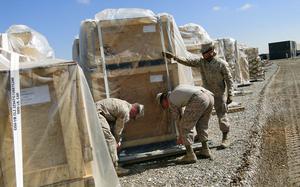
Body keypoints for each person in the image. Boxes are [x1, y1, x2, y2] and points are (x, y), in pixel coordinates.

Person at [162, 42, 234, 149]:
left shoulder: (221, 64)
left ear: (211, 52)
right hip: (206, 93)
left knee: (222, 116)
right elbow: (189, 61)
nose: (203, 55)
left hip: (219, 94)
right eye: (203, 53)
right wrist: (175, 57)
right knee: (201, 117)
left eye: (205, 53)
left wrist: (230, 94)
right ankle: (201, 136)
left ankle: (225, 137)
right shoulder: (202, 62)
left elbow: (229, 79)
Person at [157, 84, 214, 164]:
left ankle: (190, 155)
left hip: (199, 98)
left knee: (184, 126)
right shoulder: (176, 94)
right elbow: (182, 115)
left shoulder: (171, 100)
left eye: (162, 105)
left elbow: (179, 121)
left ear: (163, 100)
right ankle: (205, 150)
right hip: (209, 96)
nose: (164, 107)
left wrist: (181, 136)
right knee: (202, 125)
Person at [95, 98, 144, 176]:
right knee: (110, 140)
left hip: (99, 112)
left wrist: (117, 140)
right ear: (134, 110)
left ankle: (109, 166)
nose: (132, 118)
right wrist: (117, 141)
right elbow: (118, 130)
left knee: (110, 138)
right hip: (97, 113)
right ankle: (115, 168)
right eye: (134, 117)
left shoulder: (124, 105)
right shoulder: (125, 111)